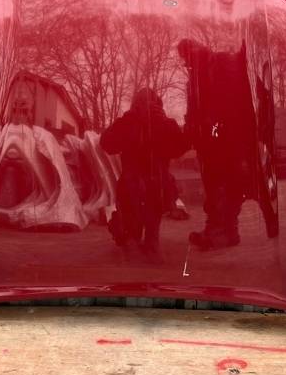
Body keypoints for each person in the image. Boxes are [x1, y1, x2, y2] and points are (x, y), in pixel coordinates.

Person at [179, 39, 268, 250]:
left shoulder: (220, 65)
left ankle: (226, 232)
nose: (186, 63)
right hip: (211, 141)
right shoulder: (198, 74)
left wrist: (224, 129)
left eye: (186, 57)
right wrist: (192, 132)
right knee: (217, 187)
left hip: (229, 140)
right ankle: (218, 230)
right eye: (185, 59)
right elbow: (195, 109)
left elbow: (239, 100)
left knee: (229, 185)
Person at [100, 88, 188, 256]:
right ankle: (143, 238)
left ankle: (139, 238)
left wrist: (129, 121)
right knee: (144, 200)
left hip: (142, 182)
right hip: (149, 183)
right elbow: (180, 147)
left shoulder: (136, 122)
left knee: (137, 200)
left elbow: (106, 143)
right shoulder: (154, 123)